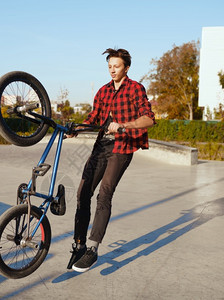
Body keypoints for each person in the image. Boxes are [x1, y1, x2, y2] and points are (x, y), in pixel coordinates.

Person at [66, 48, 156, 273]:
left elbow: (149, 119)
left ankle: (93, 249)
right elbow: (93, 117)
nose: (112, 70)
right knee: (82, 192)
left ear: (126, 67)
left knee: (104, 192)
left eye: (116, 66)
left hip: (122, 146)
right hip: (101, 146)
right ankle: (79, 244)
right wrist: (76, 129)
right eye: (109, 67)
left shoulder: (136, 88)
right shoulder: (103, 91)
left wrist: (124, 125)